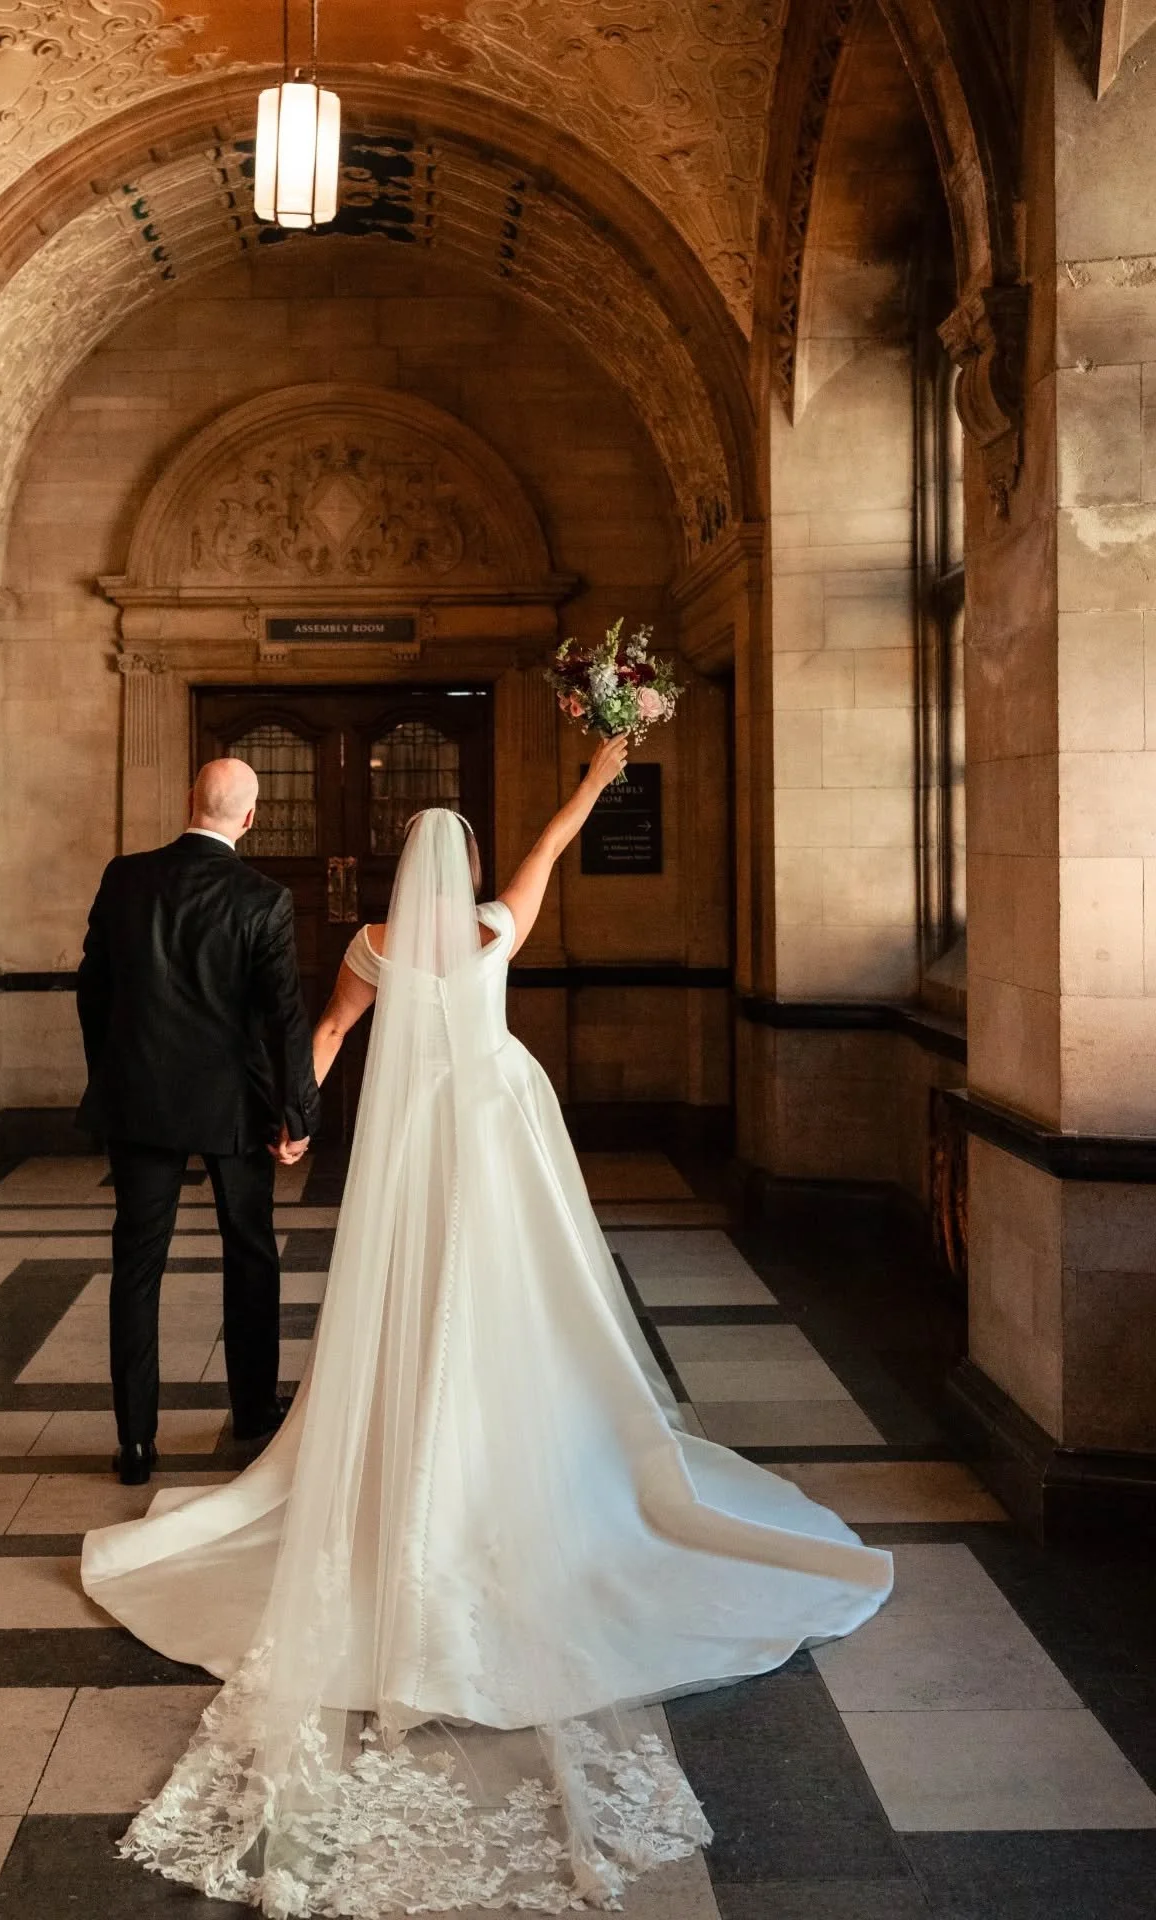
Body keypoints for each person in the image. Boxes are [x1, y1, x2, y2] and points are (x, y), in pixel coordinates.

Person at [82, 736, 893, 1913]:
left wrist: (297, 1121)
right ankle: (504, 1463)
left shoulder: (367, 946)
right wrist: (603, 764)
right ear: (460, 873)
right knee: (520, 1303)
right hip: (498, 1140)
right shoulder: (498, 927)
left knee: (405, 1297)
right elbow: (555, 844)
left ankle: (382, 1460)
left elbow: (326, 1034)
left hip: (413, 1149)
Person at [75, 757, 319, 1487]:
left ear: (190, 802)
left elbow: (92, 990)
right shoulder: (264, 899)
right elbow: (283, 1016)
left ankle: (135, 1442)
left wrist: (111, 1074)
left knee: (136, 1265)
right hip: (233, 1105)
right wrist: (295, 1109)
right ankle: (251, 1411)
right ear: (250, 818)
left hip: (140, 1101)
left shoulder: (126, 877)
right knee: (251, 1254)